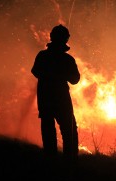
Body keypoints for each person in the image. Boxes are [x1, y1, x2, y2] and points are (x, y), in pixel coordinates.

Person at [31, 24, 80, 161]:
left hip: (45, 98)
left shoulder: (43, 55)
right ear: (65, 39)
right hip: (61, 100)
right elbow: (75, 79)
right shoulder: (67, 59)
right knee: (69, 130)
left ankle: (50, 159)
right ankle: (70, 161)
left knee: (48, 129)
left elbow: (35, 71)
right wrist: (61, 75)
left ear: (52, 37)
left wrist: (49, 75)